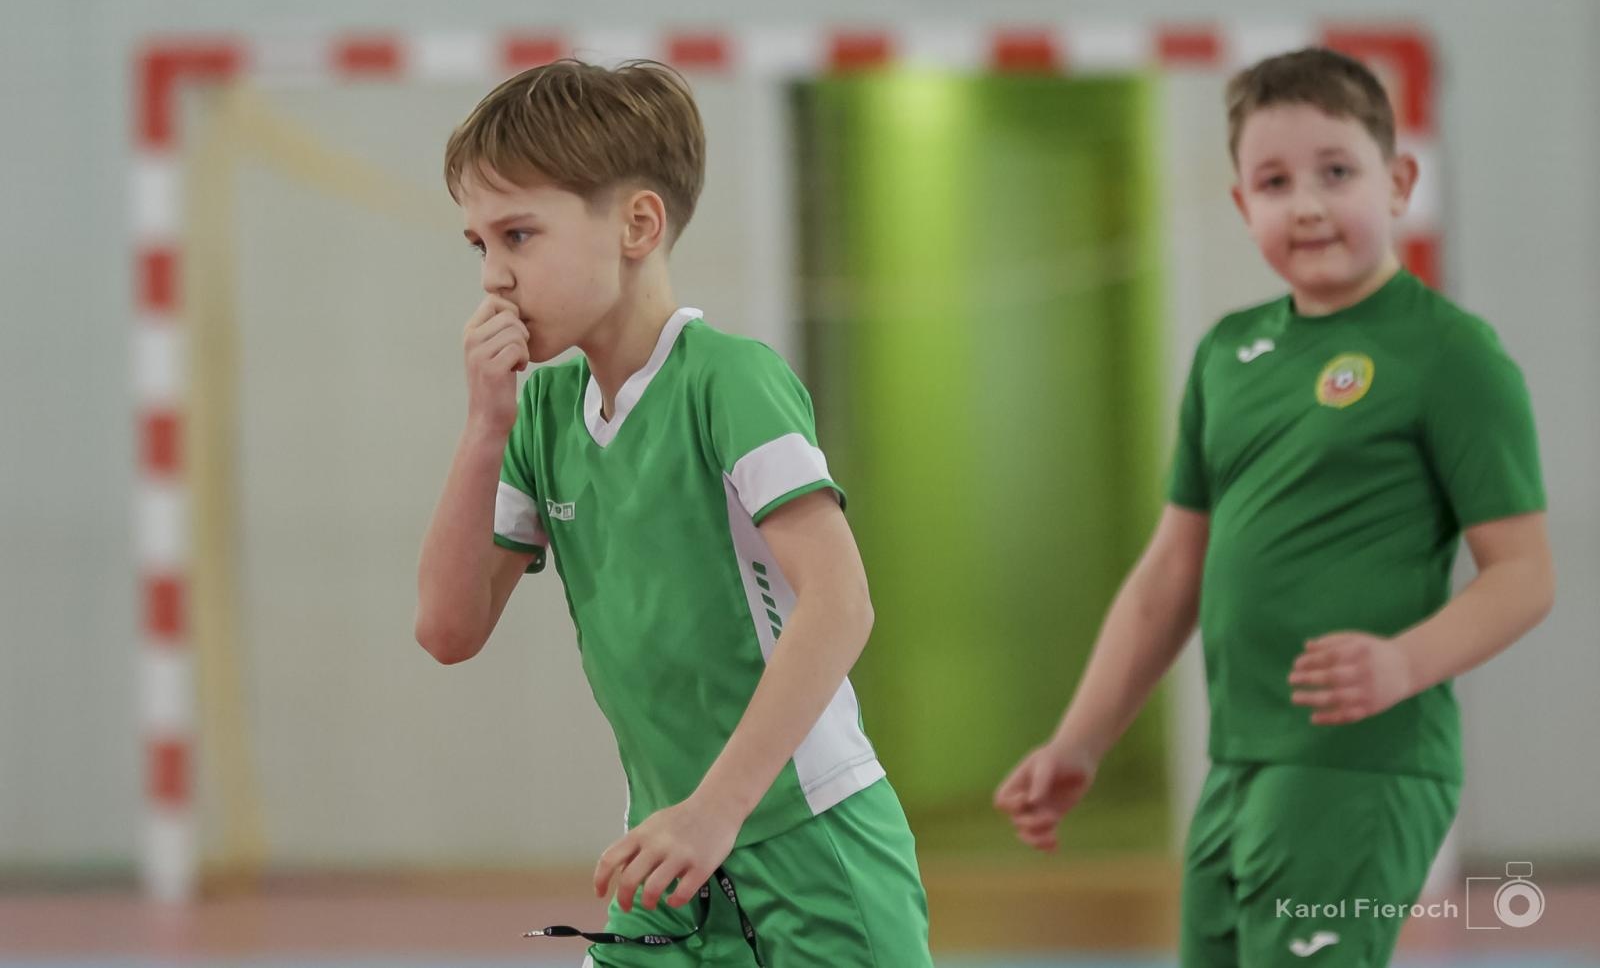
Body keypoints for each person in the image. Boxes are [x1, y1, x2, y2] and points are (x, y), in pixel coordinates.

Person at [994, 47, 1554, 966]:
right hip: (1238, 766)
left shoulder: (1451, 355)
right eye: (1275, 180)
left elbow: (1525, 575)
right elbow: (1169, 574)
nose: (1307, 203)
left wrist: (1403, 663)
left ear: (1400, 180)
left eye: (1337, 172)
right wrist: (1080, 741)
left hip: (1359, 765)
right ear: (1241, 205)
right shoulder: (1227, 354)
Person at [415, 58, 931, 967]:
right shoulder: (538, 413)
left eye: (519, 235)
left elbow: (842, 603)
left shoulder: (728, 379)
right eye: (478, 246)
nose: (493, 276)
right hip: (666, 861)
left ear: (637, 225)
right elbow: (448, 628)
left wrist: (715, 810)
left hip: (806, 841)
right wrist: (483, 426)